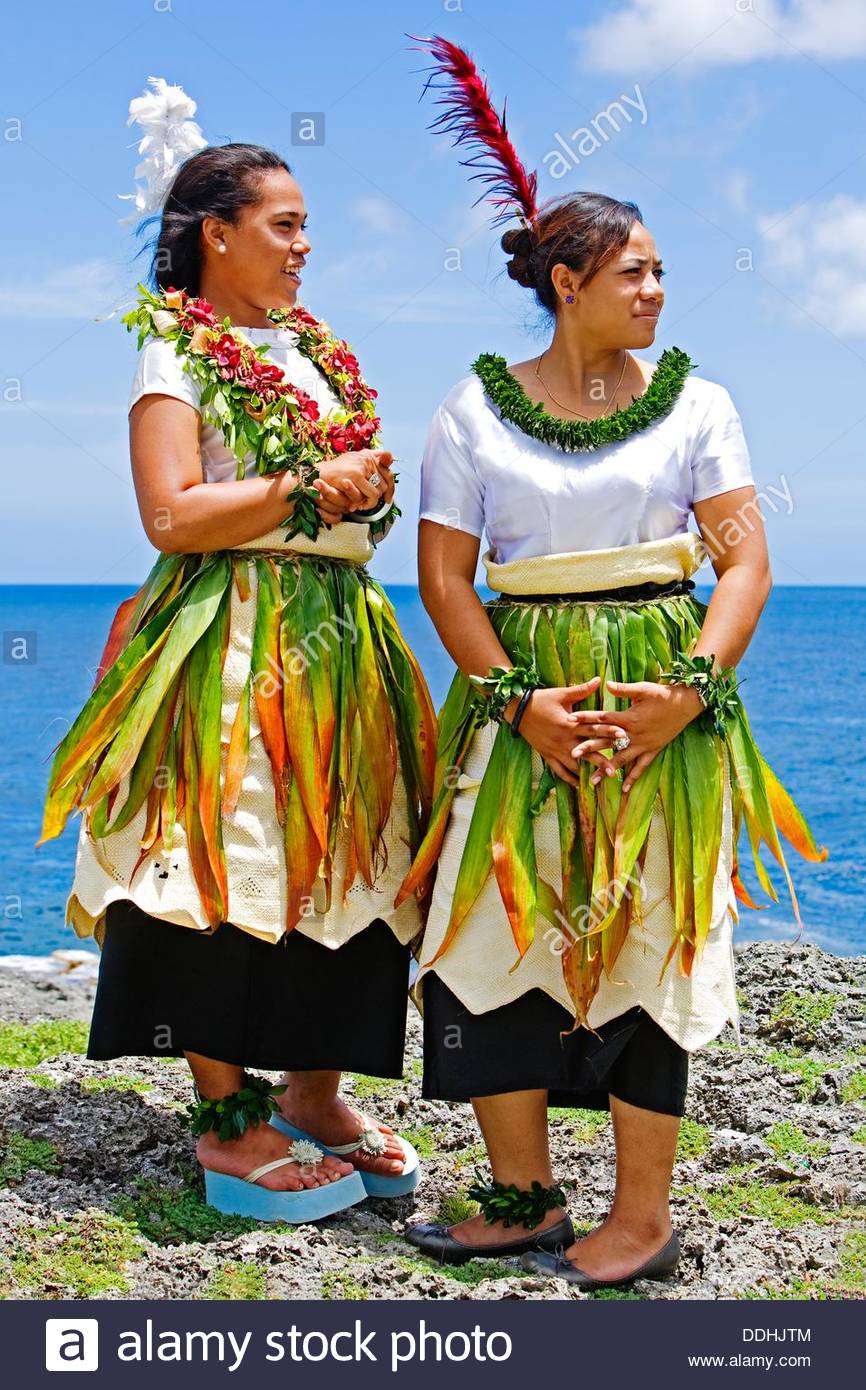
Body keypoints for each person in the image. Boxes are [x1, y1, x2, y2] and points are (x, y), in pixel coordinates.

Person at [396, 38, 826, 1289]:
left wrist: (685, 691)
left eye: (659, 270)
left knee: (651, 934)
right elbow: (441, 577)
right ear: (567, 280)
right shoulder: (473, 409)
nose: (653, 289)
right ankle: (524, 1193)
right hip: (515, 693)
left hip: (660, 689)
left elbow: (740, 563)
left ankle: (640, 1213)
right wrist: (512, 705)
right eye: (633, 272)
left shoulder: (700, 404)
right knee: (486, 933)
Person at [37, 82, 436, 1224]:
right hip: (225, 640)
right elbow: (171, 513)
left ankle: (312, 1092)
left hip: (339, 641)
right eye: (286, 223)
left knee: (349, 848)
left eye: (307, 225)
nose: (307, 246)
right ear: (216, 231)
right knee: (212, 851)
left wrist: (357, 492)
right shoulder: (174, 346)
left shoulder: (314, 348)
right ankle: (224, 1117)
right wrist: (311, 483)